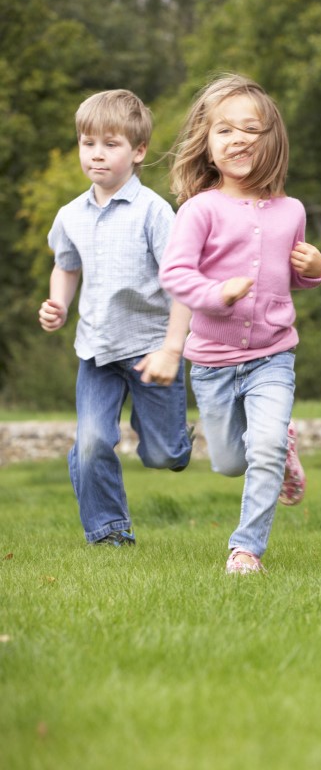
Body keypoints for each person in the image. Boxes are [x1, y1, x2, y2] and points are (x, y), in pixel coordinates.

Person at [160, 74, 321, 575]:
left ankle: (245, 548)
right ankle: (281, 447)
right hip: (212, 363)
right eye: (224, 131)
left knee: (265, 447)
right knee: (230, 462)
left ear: (271, 139)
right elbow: (175, 275)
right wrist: (216, 294)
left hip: (272, 355)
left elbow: (291, 280)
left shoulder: (290, 211)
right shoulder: (199, 210)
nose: (238, 139)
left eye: (251, 129)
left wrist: (317, 268)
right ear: (208, 146)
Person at [38, 90, 193, 547]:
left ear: (138, 151)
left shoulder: (154, 212)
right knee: (90, 443)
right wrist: (58, 304)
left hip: (151, 352)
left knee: (164, 455)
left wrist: (174, 347)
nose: (97, 154)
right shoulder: (70, 215)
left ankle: (174, 441)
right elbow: (66, 267)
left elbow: (179, 281)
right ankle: (109, 533)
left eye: (110, 144)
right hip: (96, 352)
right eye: (88, 143)